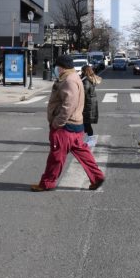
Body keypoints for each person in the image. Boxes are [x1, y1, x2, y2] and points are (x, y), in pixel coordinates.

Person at [31, 55, 105, 192]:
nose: (55, 69)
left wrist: (57, 122)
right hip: (76, 124)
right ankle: (97, 176)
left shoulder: (69, 80)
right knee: (83, 153)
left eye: (56, 66)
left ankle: (47, 183)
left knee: (56, 156)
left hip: (65, 126)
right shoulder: (73, 77)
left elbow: (68, 105)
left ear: (61, 67)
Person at [81, 65, 102, 148]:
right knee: (86, 123)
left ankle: (90, 140)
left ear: (84, 71)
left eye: (82, 71)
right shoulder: (91, 78)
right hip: (91, 103)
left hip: (87, 104)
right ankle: (89, 139)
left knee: (85, 123)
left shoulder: (86, 81)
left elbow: (83, 92)